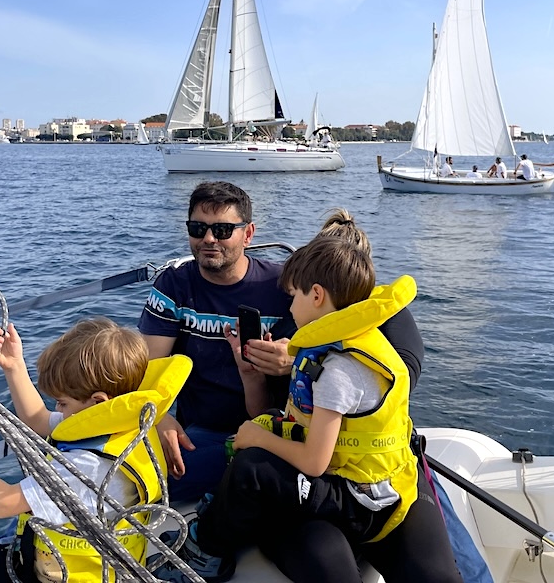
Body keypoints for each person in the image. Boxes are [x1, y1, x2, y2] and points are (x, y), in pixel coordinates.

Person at [154, 236, 423, 583]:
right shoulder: (353, 345)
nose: (290, 306)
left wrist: (257, 438)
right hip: (375, 480)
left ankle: (204, 551)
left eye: (294, 296)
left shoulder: (336, 368)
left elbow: (314, 462)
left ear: (316, 295)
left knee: (250, 467)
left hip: (352, 494)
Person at [0, 318, 190, 583]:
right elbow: (38, 420)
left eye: (62, 402)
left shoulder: (90, 465)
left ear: (98, 401)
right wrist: (14, 366)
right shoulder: (120, 425)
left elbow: (2, 503)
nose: (58, 409)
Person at [137, 181, 296, 502]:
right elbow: (147, 369)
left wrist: (291, 360)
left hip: (271, 430)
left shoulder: (283, 288)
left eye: (222, 230)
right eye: (198, 228)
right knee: (140, 477)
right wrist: (160, 418)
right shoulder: (175, 286)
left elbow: (324, 358)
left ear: (248, 234)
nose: (209, 239)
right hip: (199, 432)